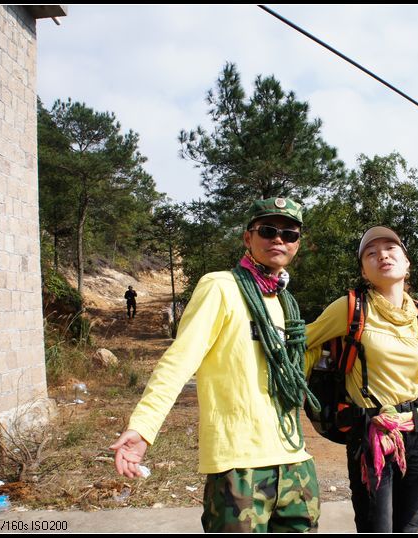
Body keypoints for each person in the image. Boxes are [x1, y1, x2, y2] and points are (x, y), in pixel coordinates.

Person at [110, 197, 320, 533]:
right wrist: (144, 427)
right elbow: (178, 362)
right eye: (268, 230)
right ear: (248, 238)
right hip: (240, 466)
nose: (279, 239)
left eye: (289, 234)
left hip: (296, 462)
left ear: (298, 244)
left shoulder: (285, 301)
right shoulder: (220, 287)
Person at [305, 226, 418, 533]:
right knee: (376, 528)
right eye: (371, 252)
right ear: (364, 271)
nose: (382, 255)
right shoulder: (350, 308)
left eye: (391, 249)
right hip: (369, 434)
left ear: (407, 263)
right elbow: (302, 342)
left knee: (409, 529)